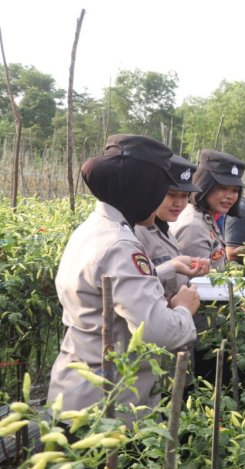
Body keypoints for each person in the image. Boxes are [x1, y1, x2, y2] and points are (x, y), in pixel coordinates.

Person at [48, 135, 200, 420]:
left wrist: (169, 268)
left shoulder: (94, 228)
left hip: (74, 387)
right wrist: (184, 308)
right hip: (105, 403)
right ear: (141, 191)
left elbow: (110, 287)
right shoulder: (120, 245)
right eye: (159, 192)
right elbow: (160, 332)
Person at [135, 155, 211, 298]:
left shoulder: (164, 228)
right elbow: (134, 286)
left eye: (184, 196)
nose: (179, 203)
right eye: (171, 195)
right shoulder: (137, 232)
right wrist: (173, 267)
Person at [172, 150, 245, 271]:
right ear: (205, 184)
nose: (230, 196)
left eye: (235, 190)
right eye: (223, 188)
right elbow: (200, 283)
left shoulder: (206, 217)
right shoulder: (194, 226)